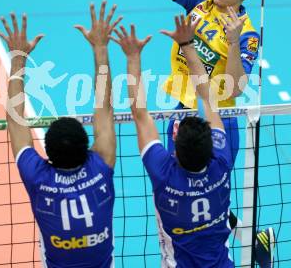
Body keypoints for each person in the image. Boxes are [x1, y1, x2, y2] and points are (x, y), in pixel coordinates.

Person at [114, 0, 267, 243]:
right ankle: (253, 243)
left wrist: (234, 42)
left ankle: (242, 247)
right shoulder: (202, 1)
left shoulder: (248, 35)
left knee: (210, 190)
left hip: (219, 119)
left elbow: (236, 87)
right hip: (183, 111)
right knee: (178, 185)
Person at [111, 15, 274, 267]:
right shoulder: (221, 164)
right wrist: (188, 44)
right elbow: (208, 99)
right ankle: (252, 241)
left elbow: (140, 113)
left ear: (173, 148)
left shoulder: (165, 176)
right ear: (212, 145)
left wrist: (133, 57)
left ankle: (252, 240)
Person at [0, 2, 121, 267]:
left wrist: (18, 57)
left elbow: (15, 121)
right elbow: (104, 107)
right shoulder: (101, 165)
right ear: (88, 147)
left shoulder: (37, 176)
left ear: (47, 154)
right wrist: (100, 47)